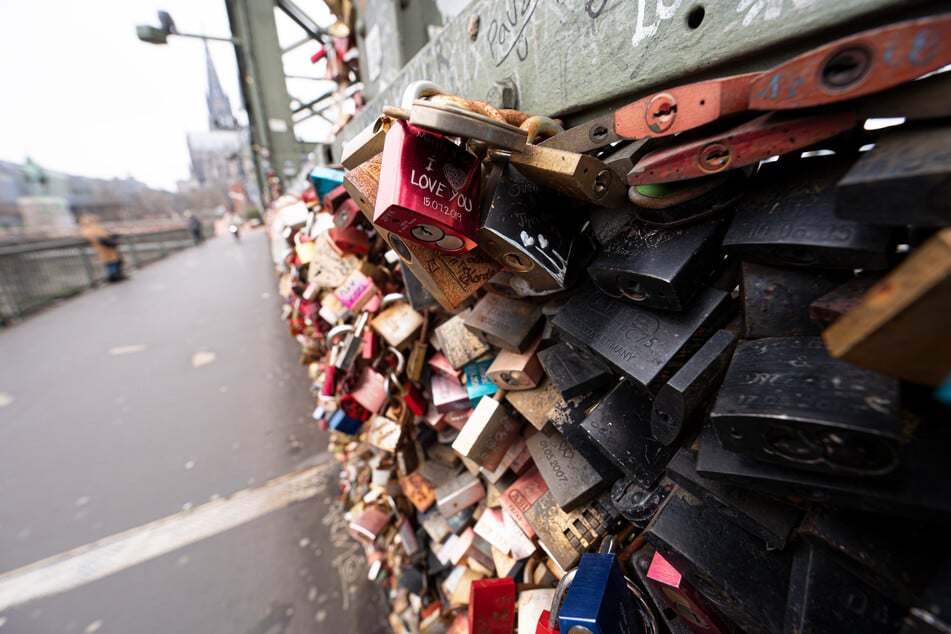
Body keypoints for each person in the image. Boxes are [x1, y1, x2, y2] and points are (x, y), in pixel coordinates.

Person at [79, 215, 125, 282]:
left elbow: (104, 236)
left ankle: (115, 275)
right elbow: (101, 237)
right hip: (104, 248)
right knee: (111, 262)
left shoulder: (88, 230)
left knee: (111, 261)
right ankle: (114, 275)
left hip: (106, 248)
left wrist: (112, 237)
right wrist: (111, 238)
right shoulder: (92, 229)